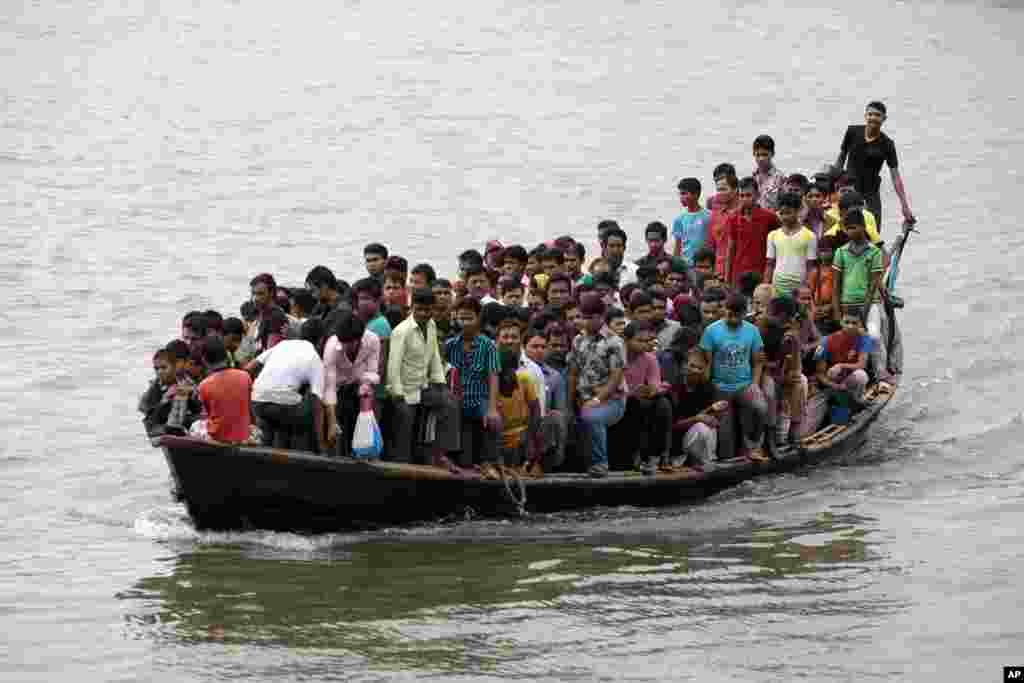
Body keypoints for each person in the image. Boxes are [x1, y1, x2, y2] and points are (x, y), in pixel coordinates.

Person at [386, 288, 460, 467]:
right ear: (411, 308)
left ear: (432, 309)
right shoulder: (401, 331)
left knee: (449, 403)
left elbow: (434, 354)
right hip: (405, 390)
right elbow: (393, 365)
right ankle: (401, 466)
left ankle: (439, 454)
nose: (423, 314)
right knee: (405, 429)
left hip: (424, 387)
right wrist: (397, 395)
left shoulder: (432, 325)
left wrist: (441, 382)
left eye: (427, 310)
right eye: (419, 309)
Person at [698, 293, 768, 462]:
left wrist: (755, 384)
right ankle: (727, 460)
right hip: (720, 387)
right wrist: (709, 388)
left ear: (744, 314)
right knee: (725, 441)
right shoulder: (711, 331)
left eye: (737, 316)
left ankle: (754, 446)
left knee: (760, 407)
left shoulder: (752, 331)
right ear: (724, 311)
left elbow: (758, 361)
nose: (732, 319)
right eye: (729, 314)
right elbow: (705, 361)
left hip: (744, 385)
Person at [567, 292, 627, 478]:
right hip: (583, 399)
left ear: (601, 316)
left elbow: (616, 377)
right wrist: (568, 405)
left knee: (591, 416)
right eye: (583, 317)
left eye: (590, 317)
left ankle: (600, 464)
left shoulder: (614, 342)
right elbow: (573, 373)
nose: (585, 321)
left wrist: (596, 399)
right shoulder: (578, 340)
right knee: (574, 417)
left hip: (612, 401)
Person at [249, 320, 327, 452]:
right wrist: (321, 443)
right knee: (311, 395)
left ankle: (271, 443)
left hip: (257, 402)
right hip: (286, 409)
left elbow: (250, 367)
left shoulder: (282, 345)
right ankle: (303, 448)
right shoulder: (315, 358)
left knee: (279, 412)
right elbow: (317, 404)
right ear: (321, 341)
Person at [835, 100, 916, 227]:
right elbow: (841, 159)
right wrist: (832, 186)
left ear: (884, 118)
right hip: (849, 189)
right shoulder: (852, 132)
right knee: (844, 227)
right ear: (865, 116)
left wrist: (904, 205)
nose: (873, 118)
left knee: (873, 228)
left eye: (877, 115)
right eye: (870, 114)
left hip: (870, 193)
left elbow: (895, 177)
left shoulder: (887, 144)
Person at [445, 296, 502, 478]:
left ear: (478, 319)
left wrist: (492, 408)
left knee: (491, 420)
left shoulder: (489, 345)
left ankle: (489, 463)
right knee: (464, 453)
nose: (465, 323)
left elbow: (493, 376)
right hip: (458, 401)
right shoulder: (450, 345)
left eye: (469, 318)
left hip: (480, 399)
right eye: (461, 318)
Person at [615, 321, 672, 475]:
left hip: (640, 399)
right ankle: (635, 455)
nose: (645, 345)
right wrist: (633, 392)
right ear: (626, 340)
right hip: (618, 401)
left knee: (663, 404)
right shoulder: (615, 357)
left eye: (647, 341)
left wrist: (653, 390)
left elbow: (655, 382)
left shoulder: (650, 358)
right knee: (635, 403)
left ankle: (660, 455)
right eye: (640, 341)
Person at [322, 313, 381, 457]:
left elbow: (373, 372)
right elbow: (329, 388)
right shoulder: (332, 347)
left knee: (364, 435)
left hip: (361, 387)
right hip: (339, 390)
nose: (344, 346)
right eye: (342, 342)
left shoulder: (372, 340)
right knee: (338, 433)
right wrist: (332, 422)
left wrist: (364, 387)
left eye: (349, 343)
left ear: (359, 339)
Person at [524, 327, 569, 475]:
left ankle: (540, 463)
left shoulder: (554, 376)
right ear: (524, 347)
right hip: (519, 422)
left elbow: (561, 411)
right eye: (534, 346)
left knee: (555, 417)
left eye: (543, 347)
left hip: (542, 428)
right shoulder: (516, 370)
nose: (539, 350)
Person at [669, 349, 724, 469]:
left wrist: (714, 416)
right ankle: (692, 461)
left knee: (707, 427)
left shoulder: (707, 387)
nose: (695, 371)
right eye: (692, 366)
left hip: (700, 438)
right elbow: (673, 425)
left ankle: (706, 460)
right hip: (679, 440)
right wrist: (697, 418)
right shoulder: (674, 388)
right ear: (684, 365)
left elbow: (712, 419)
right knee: (701, 427)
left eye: (700, 368)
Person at [494, 341, 543, 470]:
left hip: (522, 437)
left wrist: (530, 438)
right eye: (503, 372)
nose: (508, 376)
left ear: (516, 368)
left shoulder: (524, 379)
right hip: (500, 441)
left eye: (511, 370)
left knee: (552, 419)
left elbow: (536, 410)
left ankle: (534, 465)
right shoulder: (491, 385)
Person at [725, 176, 780, 288]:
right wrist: (727, 279)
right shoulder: (733, 218)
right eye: (742, 196)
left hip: (762, 273)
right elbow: (731, 248)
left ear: (757, 195)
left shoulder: (769, 217)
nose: (745, 199)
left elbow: (778, 246)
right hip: (739, 273)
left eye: (749, 195)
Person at [831, 209, 884, 324]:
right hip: (847, 304)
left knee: (874, 335)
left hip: (870, 303)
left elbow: (873, 285)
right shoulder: (840, 252)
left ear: (863, 227)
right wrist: (836, 312)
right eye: (848, 229)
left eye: (853, 228)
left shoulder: (875, 252)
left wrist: (865, 311)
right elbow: (836, 285)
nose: (850, 232)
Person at [197, 336, 253, 444]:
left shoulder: (204, 385)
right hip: (243, 436)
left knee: (194, 426)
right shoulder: (245, 376)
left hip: (218, 438)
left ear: (204, 359)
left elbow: (207, 414)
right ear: (227, 355)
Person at [764, 191, 818, 298]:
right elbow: (770, 264)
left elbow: (811, 267)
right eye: (781, 213)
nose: (784, 217)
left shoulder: (809, 236)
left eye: (788, 213)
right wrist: (766, 285)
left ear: (798, 211)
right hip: (777, 286)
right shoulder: (773, 235)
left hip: (799, 287)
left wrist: (808, 287)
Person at [815, 311, 873, 403]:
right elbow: (819, 373)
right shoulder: (826, 340)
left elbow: (862, 365)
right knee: (833, 372)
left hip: (851, 379)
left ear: (860, 324)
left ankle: (857, 399)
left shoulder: (865, 338)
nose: (850, 326)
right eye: (847, 322)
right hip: (832, 380)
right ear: (841, 322)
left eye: (854, 323)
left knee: (861, 376)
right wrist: (834, 385)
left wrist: (841, 365)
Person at [672, 177, 711, 266]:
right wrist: (675, 266)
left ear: (696, 194)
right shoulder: (679, 219)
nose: (681, 197)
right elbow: (678, 246)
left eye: (684, 193)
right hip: (686, 264)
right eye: (680, 194)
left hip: (704, 265)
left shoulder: (709, 216)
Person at [707, 174, 739, 278]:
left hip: (737, 268)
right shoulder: (715, 215)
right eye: (718, 190)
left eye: (724, 189)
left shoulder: (743, 213)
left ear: (735, 190)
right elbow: (711, 245)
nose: (720, 193)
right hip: (718, 269)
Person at [752, 134, 785, 210]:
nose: (761, 159)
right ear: (754, 154)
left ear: (772, 154)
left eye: (765, 155)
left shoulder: (780, 178)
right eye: (758, 155)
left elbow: (784, 206)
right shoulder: (752, 177)